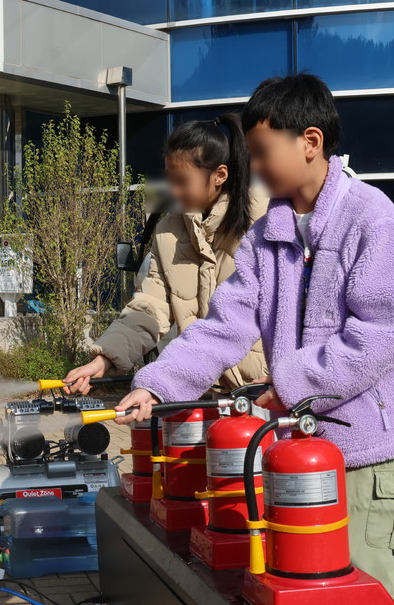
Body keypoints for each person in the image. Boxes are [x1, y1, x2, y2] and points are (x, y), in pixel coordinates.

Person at [116, 74, 394, 593]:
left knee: (364, 588)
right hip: (289, 454)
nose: (256, 167)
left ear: (310, 143)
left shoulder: (372, 218)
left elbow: (378, 334)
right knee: (295, 587)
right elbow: (224, 326)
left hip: (362, 457)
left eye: (263, 152)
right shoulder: (268, 233)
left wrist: (290, 383)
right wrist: (156, 384)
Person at [63, 113, 268, 396]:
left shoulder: (265, 219)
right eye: (170, 179)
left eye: (182, 181)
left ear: (220, 175)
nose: (173, 190)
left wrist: (282, 379)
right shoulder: (167, 231)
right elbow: (150, 306)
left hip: (264, 393)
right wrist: (104, 358)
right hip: (201, 388)